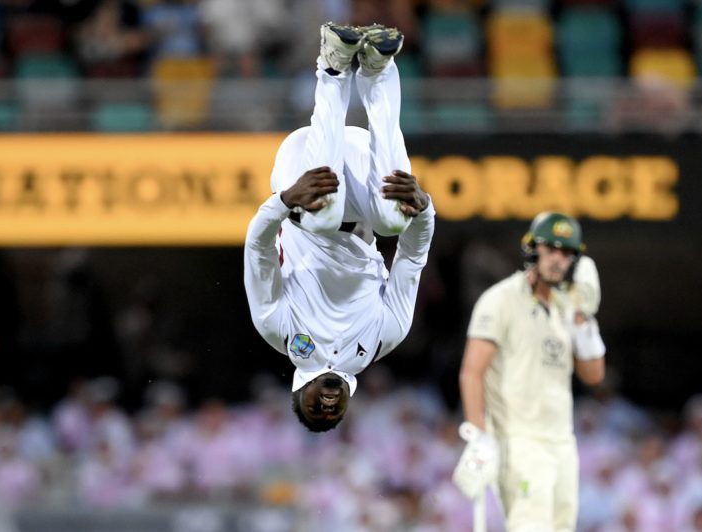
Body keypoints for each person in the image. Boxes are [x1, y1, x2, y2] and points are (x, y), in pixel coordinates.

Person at [243, 22, 435, 432]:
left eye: (316, 410)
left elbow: (257, 250)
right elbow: (412, 258)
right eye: (335, 413)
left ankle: (332, 68)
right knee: (393, 219)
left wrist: (283, 200)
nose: (328, 406)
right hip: (363, 182)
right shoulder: (385, 338)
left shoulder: (278, 331)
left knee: (324, 215)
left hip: (304, 174)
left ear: (298, 392)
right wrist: (424, 210)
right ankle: (377, 70)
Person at [453, 212, 606, 531]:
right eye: (550, 249)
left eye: (566, 252)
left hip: (562, 440)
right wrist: (478, 434)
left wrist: (583, 324)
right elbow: (471, 372)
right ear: (533, 250)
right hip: (519, 440)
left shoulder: (569, 307)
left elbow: (594, 376)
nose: (557, 259)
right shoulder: (501, 300)